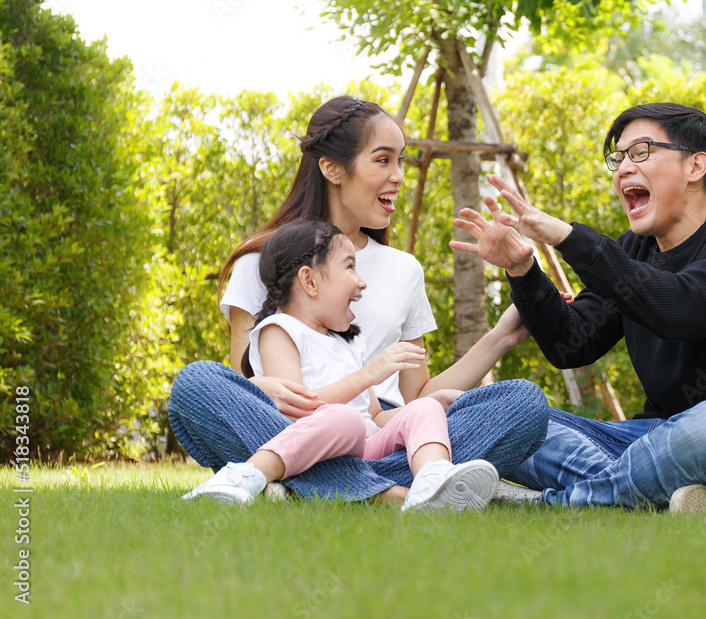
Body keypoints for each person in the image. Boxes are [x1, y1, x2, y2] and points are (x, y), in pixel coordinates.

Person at [168, 96, 548, 506]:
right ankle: (392, 494)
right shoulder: (261, 261)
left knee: (522, 405)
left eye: (401, 161)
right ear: (333, 169)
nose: (399, 175)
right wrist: (262, 388)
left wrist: (502, 336)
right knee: (196, 384)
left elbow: (416, 396)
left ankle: (320, 487)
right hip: (290, 426)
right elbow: (243, 382)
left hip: (384, 437)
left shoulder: (404, 270)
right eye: (383, 160)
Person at [450, 102, 706, 513]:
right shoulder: (633, 250)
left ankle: (548, 504)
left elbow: (678, 308)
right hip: (648, 439)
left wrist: (569, 237)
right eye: (618, 158)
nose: (622, 169)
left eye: (640, 152)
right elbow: (572, 343)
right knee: (495, 412)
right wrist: (522, 268)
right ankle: (659, 494)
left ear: (695, 166)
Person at [182, 222, 500, 511]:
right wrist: (367, 375)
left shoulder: (348, 341)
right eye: (350, 267)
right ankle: (248, 474)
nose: (361, 283)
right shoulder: (279, 330)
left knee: (422, 410)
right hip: (313, 442)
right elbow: (298, 408)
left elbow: (374, 417)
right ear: (310, 280)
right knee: (345, 419)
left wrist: (428, 407)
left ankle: (432, 483)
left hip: (366, 444)